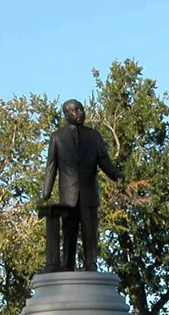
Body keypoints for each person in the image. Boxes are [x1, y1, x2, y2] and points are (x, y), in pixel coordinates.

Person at [40, 99, 124, 272]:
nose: (80, 113)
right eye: (76, 110)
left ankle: (91, 263)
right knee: (69, 231)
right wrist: (45, 193)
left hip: (89, 194)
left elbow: (104, 160)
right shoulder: (57, 137)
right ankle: (67, 264)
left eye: (81, 109)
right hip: (68, 196)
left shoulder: (94, 136)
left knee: (90, 231)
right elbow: (51, 167)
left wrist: (115, 174)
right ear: (66, 114)